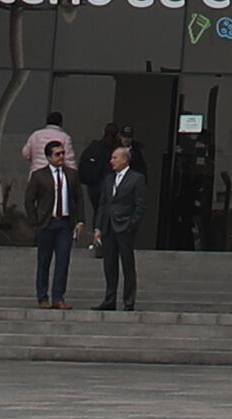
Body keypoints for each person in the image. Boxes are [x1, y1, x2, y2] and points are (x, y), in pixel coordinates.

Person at [84, 126, 149, 313]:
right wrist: (98, 227)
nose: (111, 161)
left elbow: (140, 205)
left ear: (124, 160)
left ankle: (129, 301)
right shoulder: (108, 179)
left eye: (114, 158)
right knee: (109, 264)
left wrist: (132, 224)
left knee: (127, 265)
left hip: (125, 226)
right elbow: (103, 204)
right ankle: (109, 299)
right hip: (108, 227)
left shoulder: (136, 179)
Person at [21, 117, 77, 309]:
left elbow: (78, 198)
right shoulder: (39, 176)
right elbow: (29, 200)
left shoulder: (71, 175)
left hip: (64, 224)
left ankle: (58, 297)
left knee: (63, 261)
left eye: (63, 153)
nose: (62, 157)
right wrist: (34, 220)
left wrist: (80, 220)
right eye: (58, 154)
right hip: (46, 223)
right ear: (49, 157)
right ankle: (42, 296)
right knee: (44, 261)